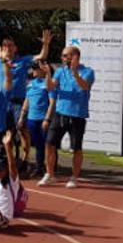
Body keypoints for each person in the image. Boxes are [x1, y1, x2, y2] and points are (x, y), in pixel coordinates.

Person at [0, 17, 51, 139]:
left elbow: (42, 56)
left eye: (10, 45)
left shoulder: (23, 60)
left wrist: (45, 44)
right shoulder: (0, 60)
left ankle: (25, 157)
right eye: (5, 45)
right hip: (3, 100)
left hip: (19, 102)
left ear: (15, 48)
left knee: (21, 129)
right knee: (2, 130)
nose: (7, 48)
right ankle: (4, 155)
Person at [39, 45, 95, 189]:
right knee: (50, 143)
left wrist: (75, 72)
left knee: (76, 148)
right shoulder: (60, 71)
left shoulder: (88, 72)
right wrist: (47, 74)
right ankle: (50, 174)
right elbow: (50, 87)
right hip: (60, 114)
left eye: (66, 56)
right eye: (63, 56)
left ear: (75, 56)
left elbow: (84, 87)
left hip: (77, 116)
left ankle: (74, 177)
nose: (63, 58)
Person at [19, 59, 55, 177]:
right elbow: (27, 101)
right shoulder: (30, 84)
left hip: (43, 119)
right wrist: (21, 117)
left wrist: (47, 119)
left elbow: (52, 103)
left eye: (35, 68)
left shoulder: (48, 84)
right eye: (33, 68)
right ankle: (39, 168)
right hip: (31, 119)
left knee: (49, 144)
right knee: (38, 145)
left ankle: (51, 168)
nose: (32, 70)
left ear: (42, 70)